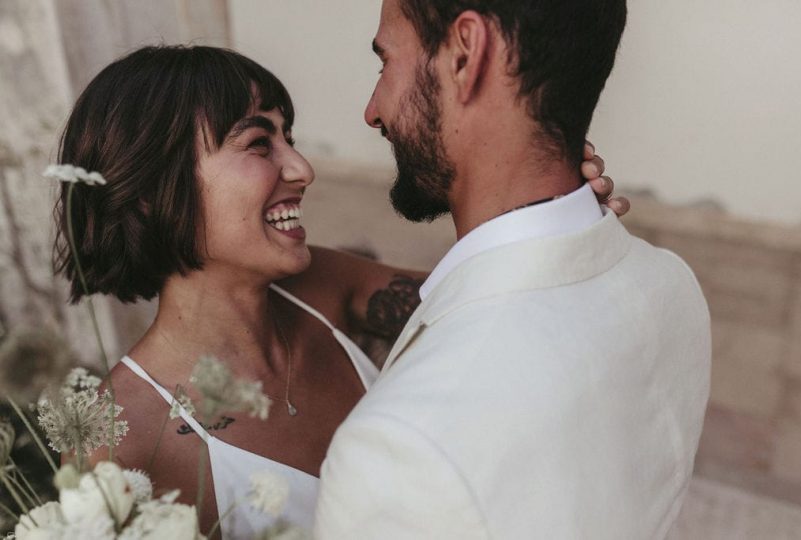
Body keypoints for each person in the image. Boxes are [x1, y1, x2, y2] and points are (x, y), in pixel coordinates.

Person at [53, 45, 620, 538]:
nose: (301, 168)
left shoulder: (320, 287)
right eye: (258, 143)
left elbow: (497, 303)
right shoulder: (117, 438)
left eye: (289, 138)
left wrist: (555, 210)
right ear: (155, 186)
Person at [314, 1, 711, 539]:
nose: (373, 110)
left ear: (465, 54)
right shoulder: (669, 283)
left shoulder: (405, 451)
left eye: (384, 61)